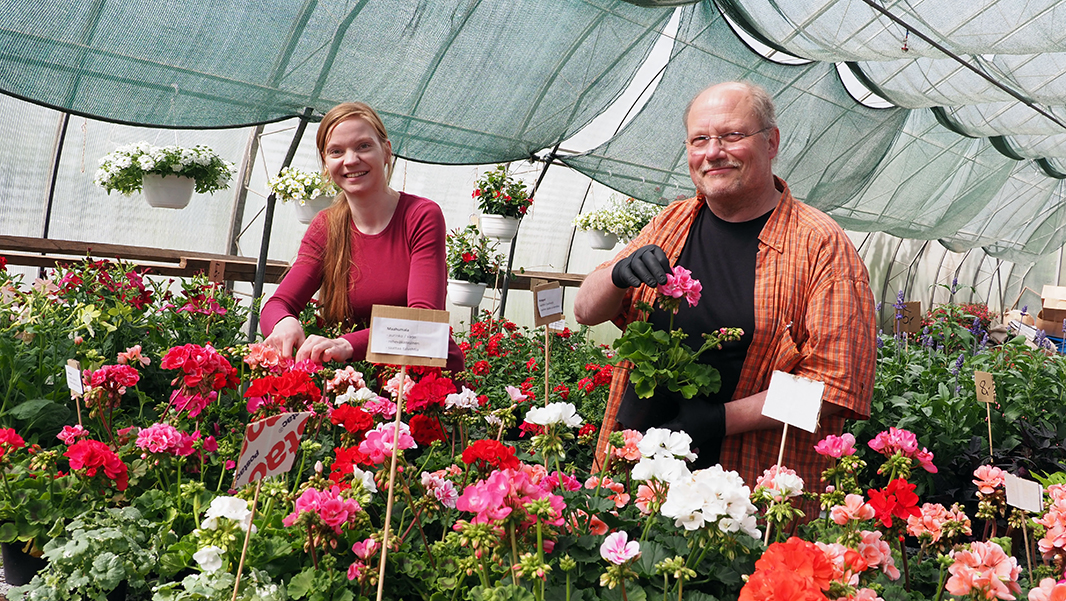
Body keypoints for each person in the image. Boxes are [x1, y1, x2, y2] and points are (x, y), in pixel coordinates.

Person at [574, 81, 875, 498]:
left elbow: (833, 391)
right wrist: (617, 275)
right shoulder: (672, 222)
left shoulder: (820, 245)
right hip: (641, 475)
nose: (713, 152)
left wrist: (718, 420)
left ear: (771, 142)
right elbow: (585, 310)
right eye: (700, 140)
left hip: (747, 488)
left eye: (732, 135)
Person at [260, 102, 464, 372]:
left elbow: (424, 321)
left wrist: (346, 345)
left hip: (423, 387)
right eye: (336, 151)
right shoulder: (326, 226)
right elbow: (278, 304)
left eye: (363, 146)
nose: (351, 160)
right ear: (326, 162)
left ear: (386, 151)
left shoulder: (420, 215)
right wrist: (283, 322)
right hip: (356, 385)